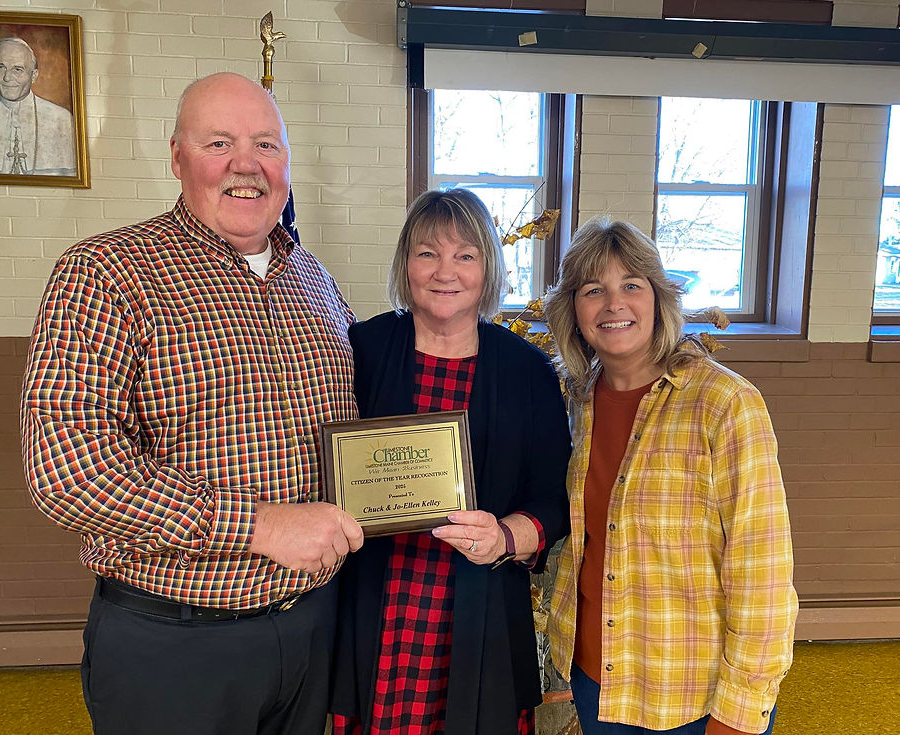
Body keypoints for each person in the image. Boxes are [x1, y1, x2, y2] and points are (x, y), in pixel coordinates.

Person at [21, 72, 363, 735]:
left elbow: (358, 435)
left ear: (286, 162)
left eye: (266, 144)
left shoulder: (314, 280)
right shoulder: (108, 272)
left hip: (312, 631)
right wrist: (262, 526)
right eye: (219, 142)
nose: (246, 164)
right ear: (177, 156)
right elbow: (67, 471)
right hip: (176, 647)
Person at [330, 188, 572, 735]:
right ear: (405, 264)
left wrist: (508, 537)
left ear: (488, 266)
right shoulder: (361, 349)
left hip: (480, 604)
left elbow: (554, 497)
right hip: (380, 601)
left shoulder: (526, 370)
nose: (446, 271)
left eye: (466, 254)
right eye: (427, 253)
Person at [544, 219, 797, 735]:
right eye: (594, 290)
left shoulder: (725, 403)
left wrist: (742, 710)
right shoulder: (578, 400)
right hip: (598, 680)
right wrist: (563, 660)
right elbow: (586, 545)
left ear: (660, 300)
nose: (614, 305)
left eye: (631, 286)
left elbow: (762, 570)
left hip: (690, 697)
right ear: (574, 310)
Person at [0, 37, 76, 175]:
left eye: (17, 69)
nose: (7, 77)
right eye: (1, 67)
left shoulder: (61, 119)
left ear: (34, 75)